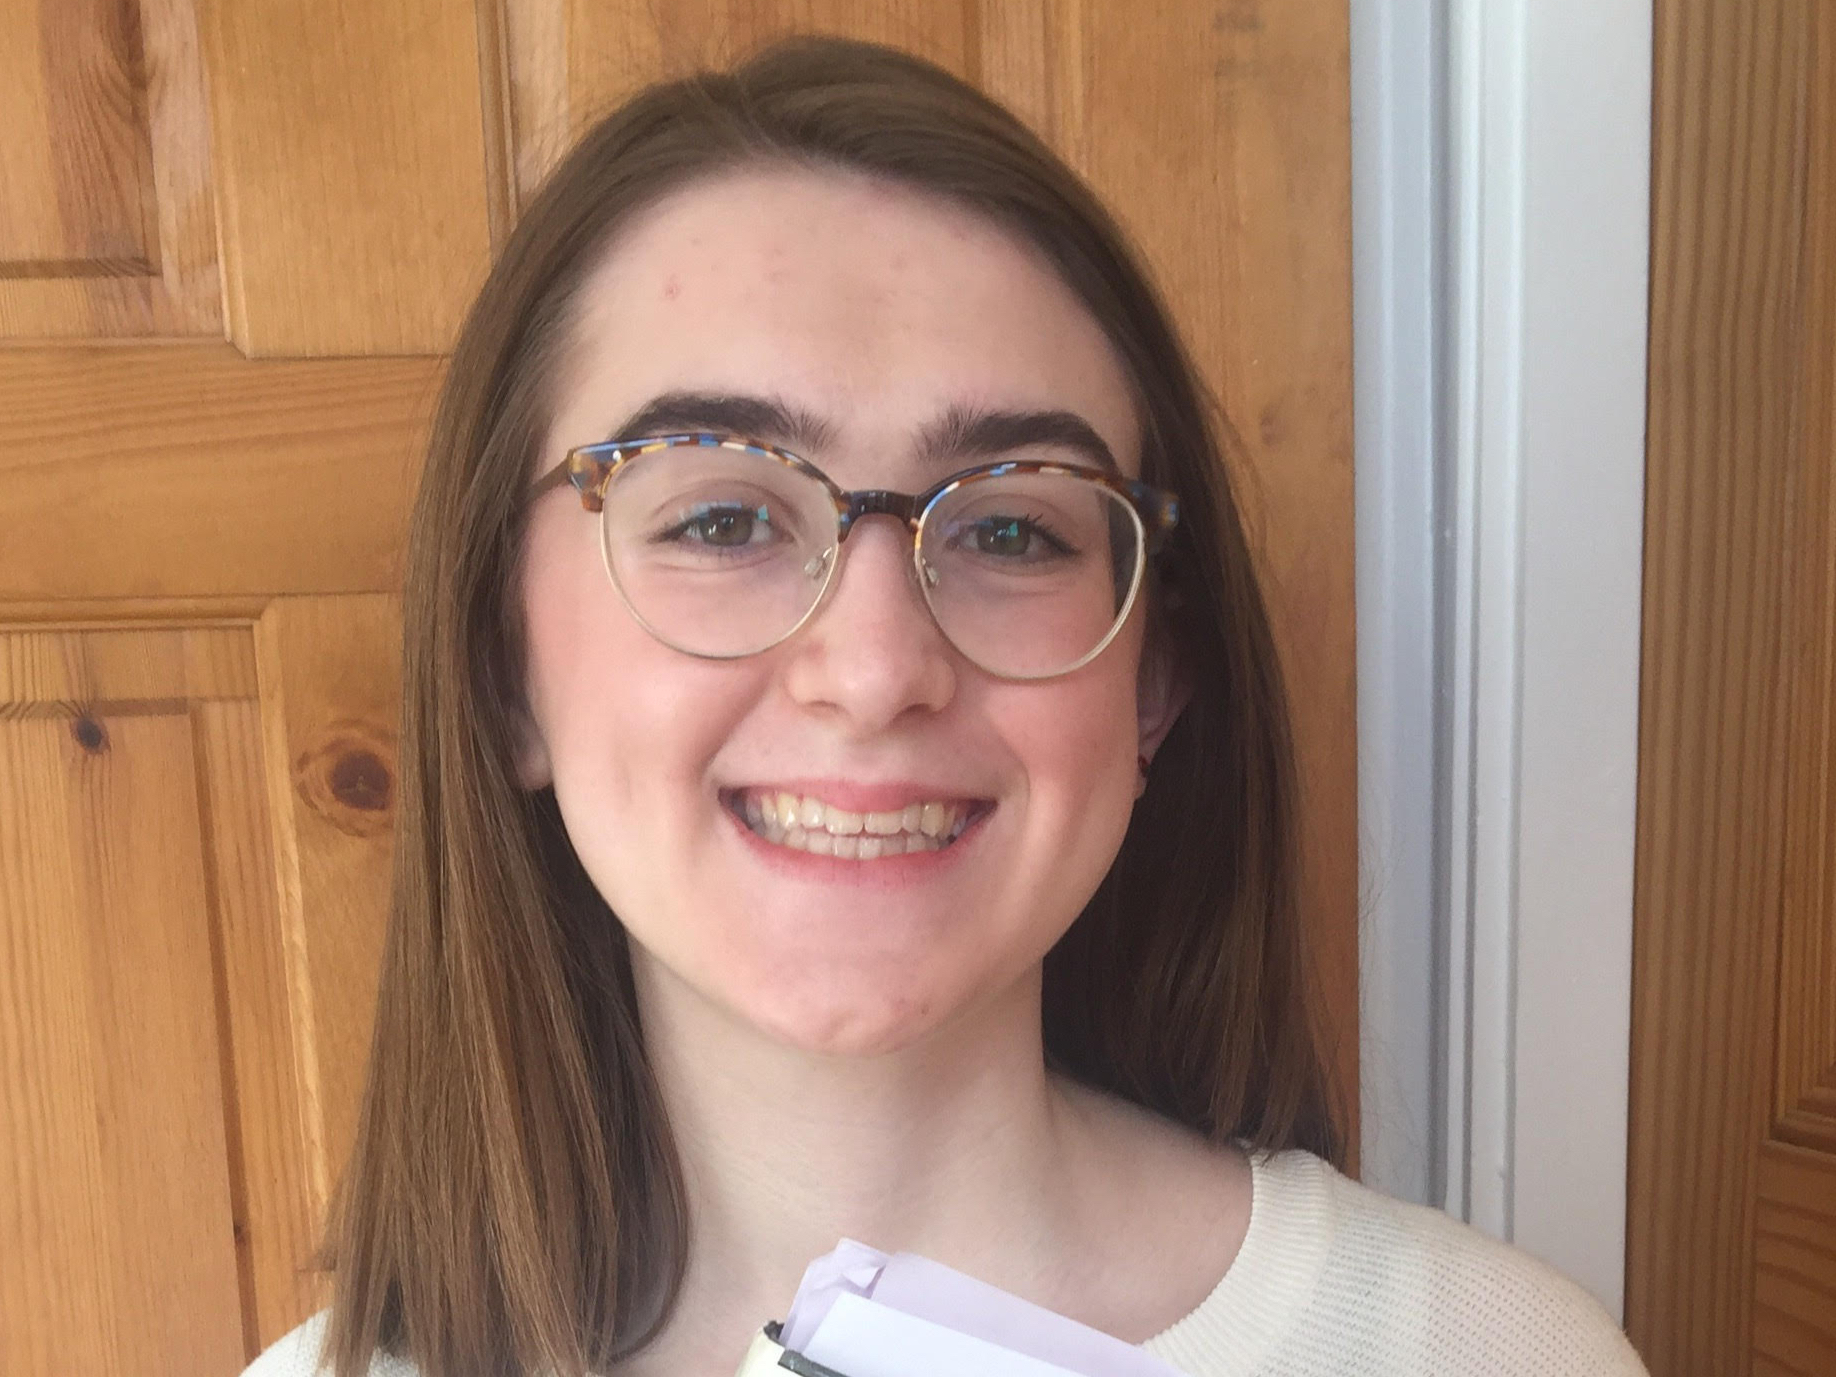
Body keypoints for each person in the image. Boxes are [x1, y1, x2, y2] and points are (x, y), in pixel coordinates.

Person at [245, 35, 1646, 1377]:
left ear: (1153, 678)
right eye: (724, 518)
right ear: (505, 670)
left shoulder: (1492, 1358)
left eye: (1014, 530)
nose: (873, 670)